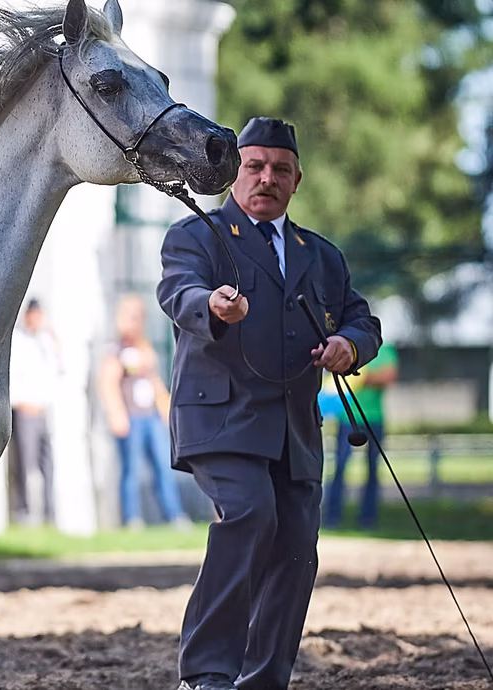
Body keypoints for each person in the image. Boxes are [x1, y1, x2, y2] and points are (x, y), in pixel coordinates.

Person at [156, 117, 382, 690]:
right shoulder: (196, 235)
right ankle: (206, 674)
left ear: (297, 180)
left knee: (298, 549)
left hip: (295, 429)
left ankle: (264, 680)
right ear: (235, 172)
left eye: (280, 169)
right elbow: (178, 292)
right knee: (251, 514)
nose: (266, 178)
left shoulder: (322, 256)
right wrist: (213, 303)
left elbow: (363, 320)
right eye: (254, 166)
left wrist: (348, 344)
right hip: (221, 418)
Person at [98, 293, 190, 529]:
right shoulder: (116, 350)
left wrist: (165, 407)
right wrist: (116, 413)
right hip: (130, 417)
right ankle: (132, 518)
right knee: (131, 471)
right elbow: (108, 383)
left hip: (150, 417)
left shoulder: (145, 347)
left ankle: (174, 515)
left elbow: (154, 381)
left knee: (163, 466)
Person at [323, 342, 398, 529]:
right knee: (340, 466)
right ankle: (332, 517)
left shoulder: (384, 349)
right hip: (347, 417)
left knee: (373, 469)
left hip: (374, 418)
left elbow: (389, 376)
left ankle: (368, 518)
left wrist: (361, 376)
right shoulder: (345, 344)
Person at [8, 298, 62, 526]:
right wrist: (21, 403)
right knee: (23, 464)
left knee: (47, 464)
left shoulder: (44, 341)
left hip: (42, 410)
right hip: (24, 409)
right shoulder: (19, 341)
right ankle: (22, 510)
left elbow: (58, 368)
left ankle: (50, 511)